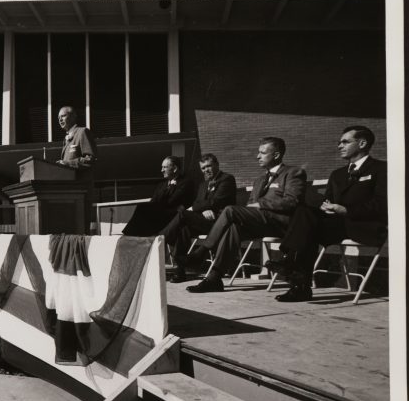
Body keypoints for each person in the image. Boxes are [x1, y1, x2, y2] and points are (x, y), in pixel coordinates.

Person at [265, 125, 387, 302]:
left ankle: (292, 267)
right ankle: (298, 281)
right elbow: (329, 200)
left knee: (307, 229)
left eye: (345, 142)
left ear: (362, 143)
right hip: (337, 225)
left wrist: (346, 210)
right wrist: (325, 206)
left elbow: (382, 203)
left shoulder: (381, 169)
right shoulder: (337, 174)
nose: (339, 146)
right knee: (304, 213)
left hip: (363, 225)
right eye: (339, 142)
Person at [184, 136, 307, 293]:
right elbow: (250, 204)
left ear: (276, 155)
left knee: (230, 209)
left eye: (262, 153)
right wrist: (253, 208)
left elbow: (293, 201)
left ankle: (201, 252)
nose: (257, 156)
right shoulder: (259, 180)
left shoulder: (293, 172)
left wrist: (261, 204)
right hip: (260, 223)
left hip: (282, 224)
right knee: (234, 228)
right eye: (258, 152)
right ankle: (214, 278)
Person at [158, 153, 237, 282]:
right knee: (183, 228)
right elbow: (197, 203)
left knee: (183, 213)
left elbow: (216, 201)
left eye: (209, 166)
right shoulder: (203, 185)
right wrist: (204, 209)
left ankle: (160, 240)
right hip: (205, 222)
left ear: (217, 164)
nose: (206, 170)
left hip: (220, 222)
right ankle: (180, 270)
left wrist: (201, 208)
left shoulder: (227, 179)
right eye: (203, 168)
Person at [121, 155, 197, 236]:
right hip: (161, 214)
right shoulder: (162, 185)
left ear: (174, 169)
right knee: (143, 208)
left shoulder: (186, 182)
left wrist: (171, 187)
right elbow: (153, 202)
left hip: (173, 216)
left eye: (165, 167)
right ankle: (131, 235)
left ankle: (129, 234)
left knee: (142, 208)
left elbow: (171, 201)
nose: (162, 170)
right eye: (162, 167)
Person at [56, 105, 97, 232]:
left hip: (81, 193)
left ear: (73, 116)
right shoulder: (66, 139)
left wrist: (66, 164)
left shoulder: (82, 132)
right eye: (58, 117)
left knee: (81, 231)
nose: (60, 120)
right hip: (69, 194)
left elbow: (90, 159)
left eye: (63, 116)